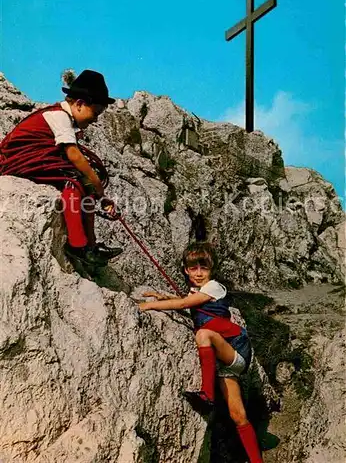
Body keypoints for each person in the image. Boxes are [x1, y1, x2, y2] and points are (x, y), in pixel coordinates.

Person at [139, 242, 263, 463]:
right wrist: (163, 297)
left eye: (203, 268)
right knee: (239, 416)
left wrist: (149, 306)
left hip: (235, 348)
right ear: (186, 269)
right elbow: (188, 302)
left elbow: (186, 303)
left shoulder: (215, 287)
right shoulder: (200, 291)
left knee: (203, 334)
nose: (198, 273)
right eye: (193, 268)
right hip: (225, 362)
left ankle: (207, 395)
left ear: (211, 269)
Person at [0, 69, 122, 266]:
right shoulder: (60, 117)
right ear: (80, 104)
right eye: (95, 113)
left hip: (35, 159)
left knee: (84, 184)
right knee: (73, 180)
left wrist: (96, 191)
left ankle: (91, 245)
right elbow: (74, 155)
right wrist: (98, 186)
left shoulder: (63, 117)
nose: (96, 119)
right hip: (18, 160)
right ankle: (78, 245)